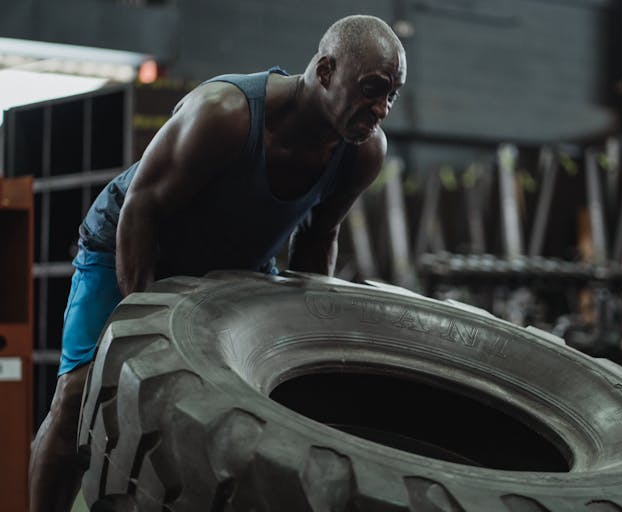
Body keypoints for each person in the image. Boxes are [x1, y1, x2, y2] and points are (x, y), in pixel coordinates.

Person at [28, 14, 406, 511]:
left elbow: (319, 239)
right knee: (80, 398)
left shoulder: (363, 152)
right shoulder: (224, 113)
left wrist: (311, 349)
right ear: (326, 70)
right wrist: (139, 333)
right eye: (371, 89)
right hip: (132, 240)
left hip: (239, 264)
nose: (379, 109)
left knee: (257, 412)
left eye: (391, 96)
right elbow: (142, 210)